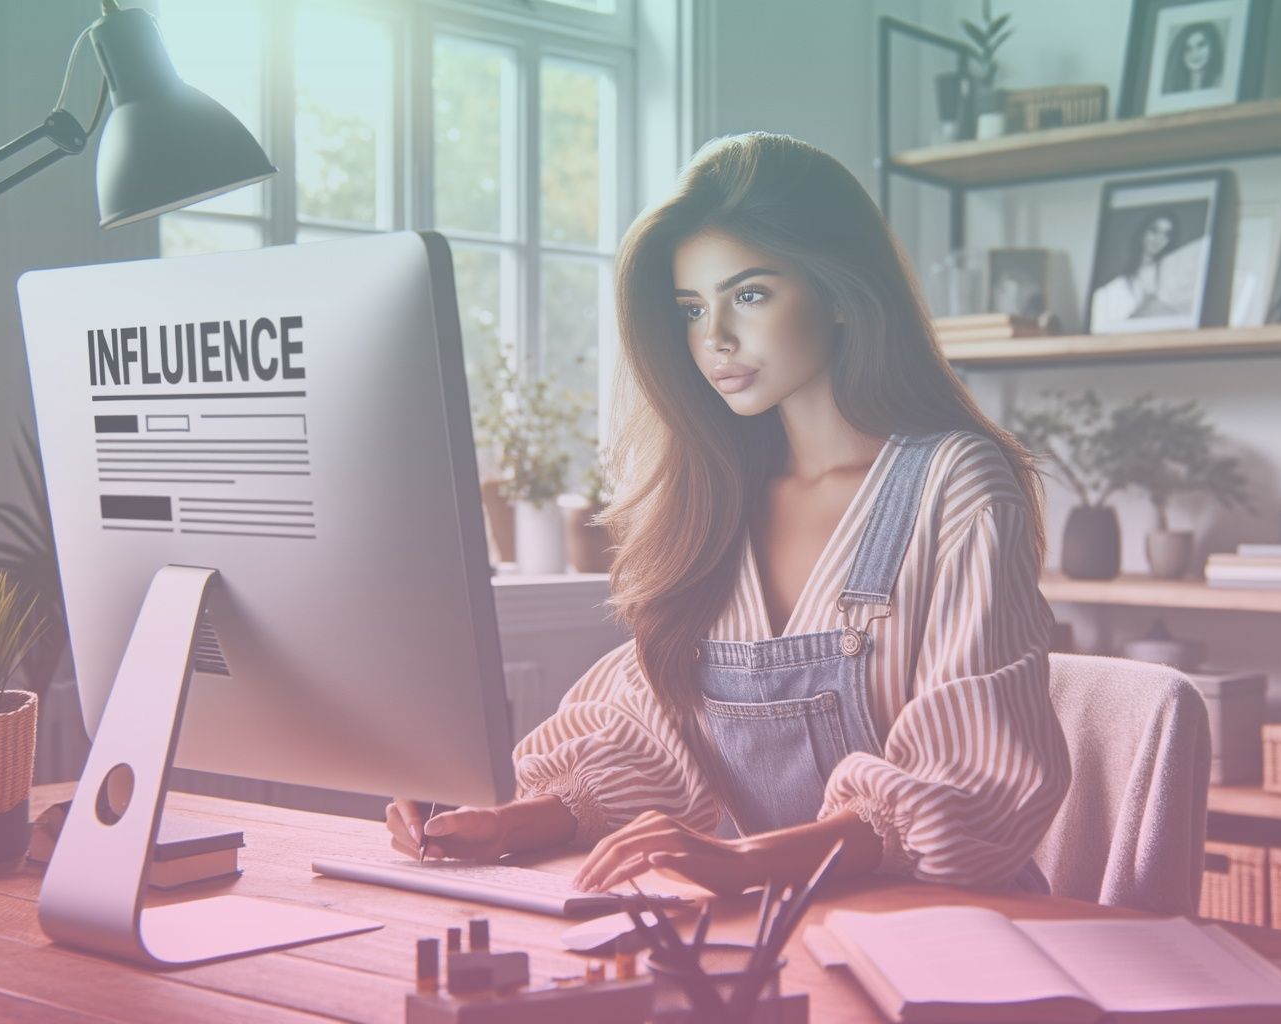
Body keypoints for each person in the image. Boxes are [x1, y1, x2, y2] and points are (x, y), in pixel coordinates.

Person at [385, 132, 1070, 896]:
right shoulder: (711, 496)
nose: (713, 340)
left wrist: (748, 858)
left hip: (953, 942)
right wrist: (510, 821)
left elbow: (974, 783)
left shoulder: (957, 484)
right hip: (773, 929)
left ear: (841, 292)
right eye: (689, 308)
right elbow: (652, 737)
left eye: (749, 294)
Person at [1089, 209, 1204, 329]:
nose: (1159, 238)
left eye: (1167, 234)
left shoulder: (1176, 275)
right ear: (1142, 233)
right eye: (1154, 230)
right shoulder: (1113, 289)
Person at [1162, 21, 1225, 94]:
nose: (1195, 53)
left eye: (1201, 45)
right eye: (1188, 49)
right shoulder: (1171, 89)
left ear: (1212, 46)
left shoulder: (1221, 83)